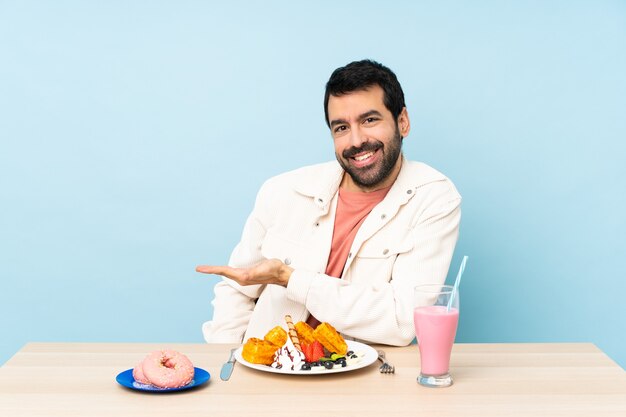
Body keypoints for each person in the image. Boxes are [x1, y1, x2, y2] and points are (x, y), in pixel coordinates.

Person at [197, 59, 461, 346]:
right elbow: (237, 288)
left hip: (365, 379)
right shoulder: (282, 191)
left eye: (369, 120)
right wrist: (232, 358)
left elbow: (402, 321)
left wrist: (291, 279)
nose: (357, 140)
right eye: (341, 128)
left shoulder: (434, 198)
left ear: (402, 122)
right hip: (271, 373)